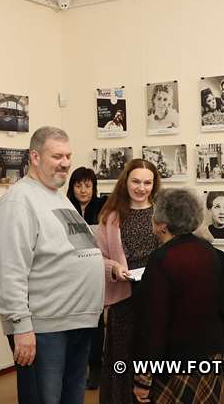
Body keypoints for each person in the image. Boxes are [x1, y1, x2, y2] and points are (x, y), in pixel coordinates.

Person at [0, 127, 104, 404]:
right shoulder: (18, 201)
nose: (65, 163)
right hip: (44, 328)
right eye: (57, 156)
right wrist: (21, 326)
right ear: (35, 157)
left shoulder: (57, 195)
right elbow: (10, 269)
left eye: (68, 156)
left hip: (76, 322)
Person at [132, 189, 224, 403]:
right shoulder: (209, 251)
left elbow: (153, 324)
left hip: (175, 362)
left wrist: (142, 380)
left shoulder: (161, 258)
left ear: (162, 224)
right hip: (210, 356)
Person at [96, 159, 160, 404]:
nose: (141, 187)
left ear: (154, 185)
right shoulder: (110, 216)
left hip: (155, 297)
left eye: (147, 182)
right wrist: (114, 268)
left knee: (151, 360)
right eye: (136, 181)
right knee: (121, 360)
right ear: (125, 182)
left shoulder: (161, 212)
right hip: (123, 298)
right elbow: (98, 257)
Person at [66, 167, 107, 389]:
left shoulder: (102, 207)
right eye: (78, 185)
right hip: (71, 272)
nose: (83, 190)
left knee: (96, 320)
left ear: (94, 187)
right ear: (72, 187)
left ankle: (96, 366)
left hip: (96, 270)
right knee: (74, 320)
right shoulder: (64, 207)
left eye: (87, 185)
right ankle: (77, 367)